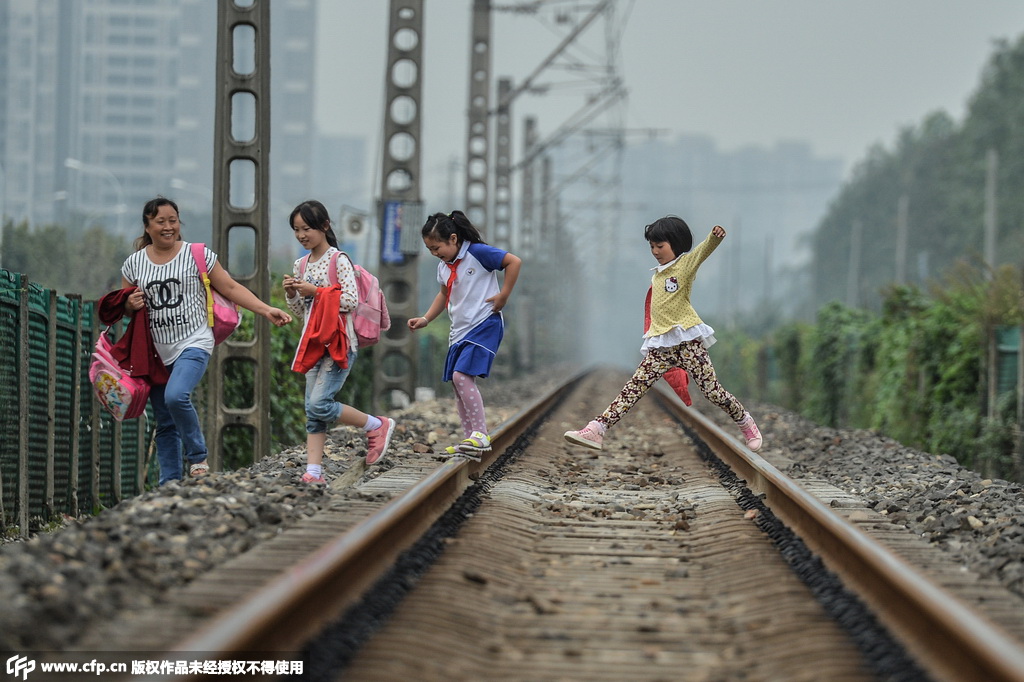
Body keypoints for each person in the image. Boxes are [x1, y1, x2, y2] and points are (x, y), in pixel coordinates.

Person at [120, 197, 293, 484]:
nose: (168, 227)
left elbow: (231, 287)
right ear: (147, 227)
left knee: (177, 396)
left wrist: (266, 309)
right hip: (154, 352)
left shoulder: (197, 254)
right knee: (165, 422)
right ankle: (170, 484)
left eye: (173, 220)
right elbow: (124, 306)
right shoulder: (133, 264)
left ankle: (198, 456)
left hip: (193, 342)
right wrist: (130, 304)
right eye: (160, 222)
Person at [564, 217, 763, 452]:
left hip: (687, 342)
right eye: (652, 247)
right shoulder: (657, 274)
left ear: (676, 244)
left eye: (660, 246)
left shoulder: (685, 266)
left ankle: (745, 422)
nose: (655, 251)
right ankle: (597, 429)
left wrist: (714, 237)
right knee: (634, 387)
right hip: (660, 346)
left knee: (712, 391)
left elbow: (701, 253)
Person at [282, 200, 396, 483]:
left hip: (339, 343)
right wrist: (294, 295)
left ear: (324, 226)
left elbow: (350, 300)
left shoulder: (338, 260)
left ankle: (376, 424)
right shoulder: (300, 264)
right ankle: (314, 472)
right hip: (312, 344)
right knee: (312, 410)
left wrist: (316, 291)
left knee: (320, 403)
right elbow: (302, 312)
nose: (301, 235)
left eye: (306, 228)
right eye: (296, 230)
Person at [407, 211, 522, 459]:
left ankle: (480, 435)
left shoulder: (477, 253)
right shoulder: (444, 267)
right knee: (458, 387)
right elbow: (443, 295)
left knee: (461, 377)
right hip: (459, 330)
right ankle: (470, 437)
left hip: (484, 324)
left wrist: (504, 295)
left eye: (437, 247)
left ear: (453, 238)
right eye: (429, 249)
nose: (435, 253)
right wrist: (426, 318)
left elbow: (514, 262)